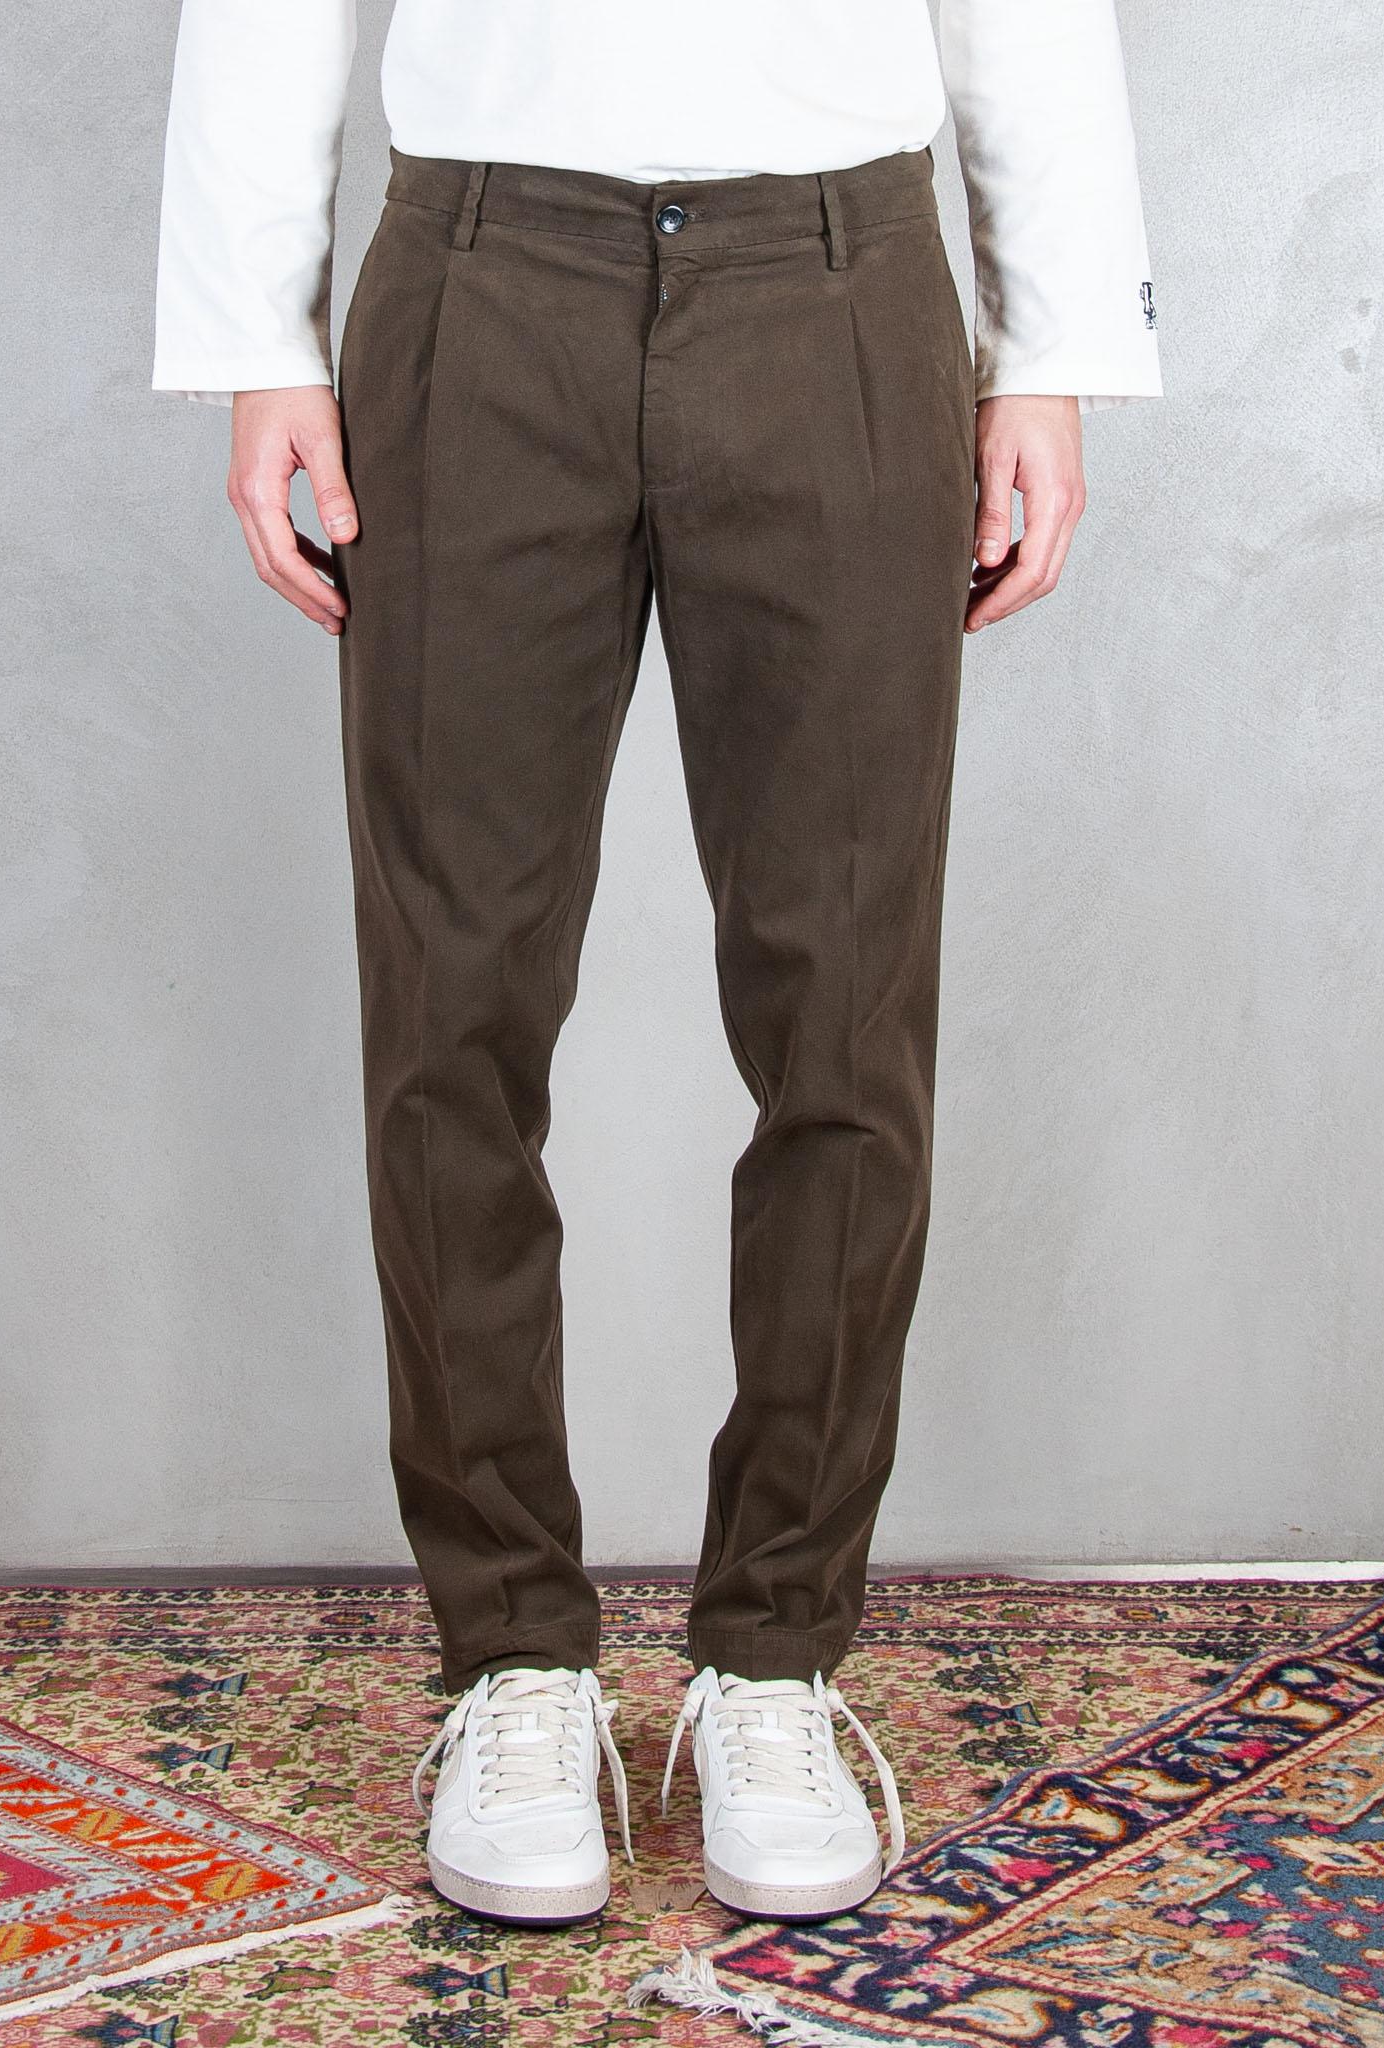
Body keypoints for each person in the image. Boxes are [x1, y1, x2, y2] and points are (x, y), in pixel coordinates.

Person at [153, 0, 1161, 1928]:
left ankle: (775, 1658)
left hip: (838, 279)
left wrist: (1052, 353)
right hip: (477, 280)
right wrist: (255, 336)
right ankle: (511, 1661)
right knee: (450, 1006)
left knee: (843, 1012)